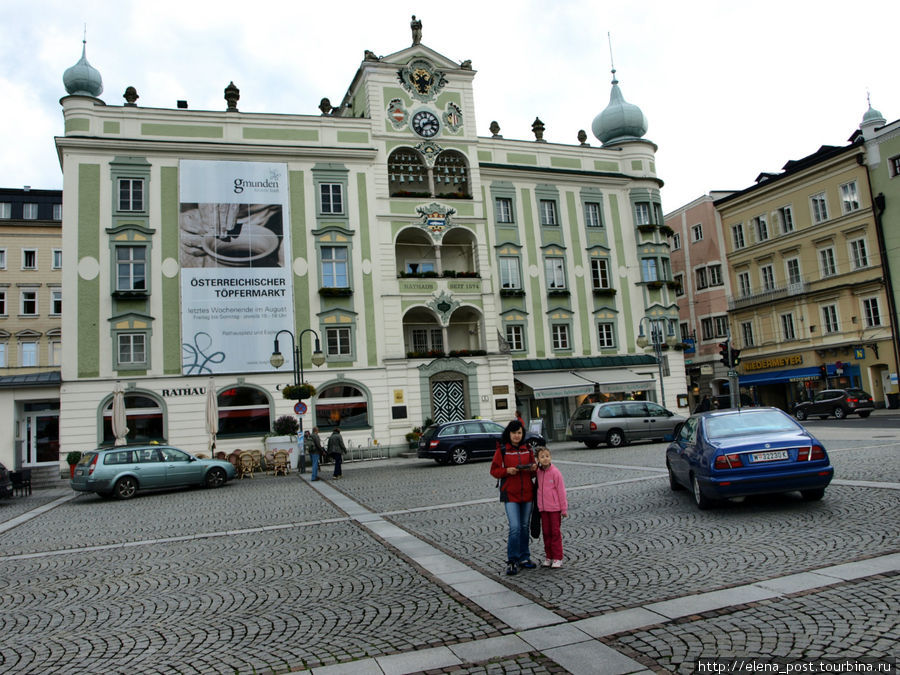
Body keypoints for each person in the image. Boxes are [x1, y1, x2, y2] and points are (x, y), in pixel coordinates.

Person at [490, 419, 537, 576]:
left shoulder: (528, 449)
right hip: (510, 494)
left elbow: (533, 473)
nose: (516, 436)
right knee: (515, 527)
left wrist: (533, 468)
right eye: (513, 433)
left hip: (527, 494)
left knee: (525, 527)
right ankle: (512, 560)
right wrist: (507, 471)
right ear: (508, 434)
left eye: (519, 433)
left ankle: (524, 557)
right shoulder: (502, 450)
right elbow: (494, 471)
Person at [535, 447, 568, 569]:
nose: (545, 459)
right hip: (543, 509)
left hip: (554, 508)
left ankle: (558, 557)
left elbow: (561, 491)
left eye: (547, 456)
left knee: (555, 533)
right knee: (546, 533)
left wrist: (563, 509)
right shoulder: (538, 472)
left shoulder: (555, 472)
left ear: (551, 457)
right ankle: (549, 556)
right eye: (542, 457)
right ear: (538, 459)